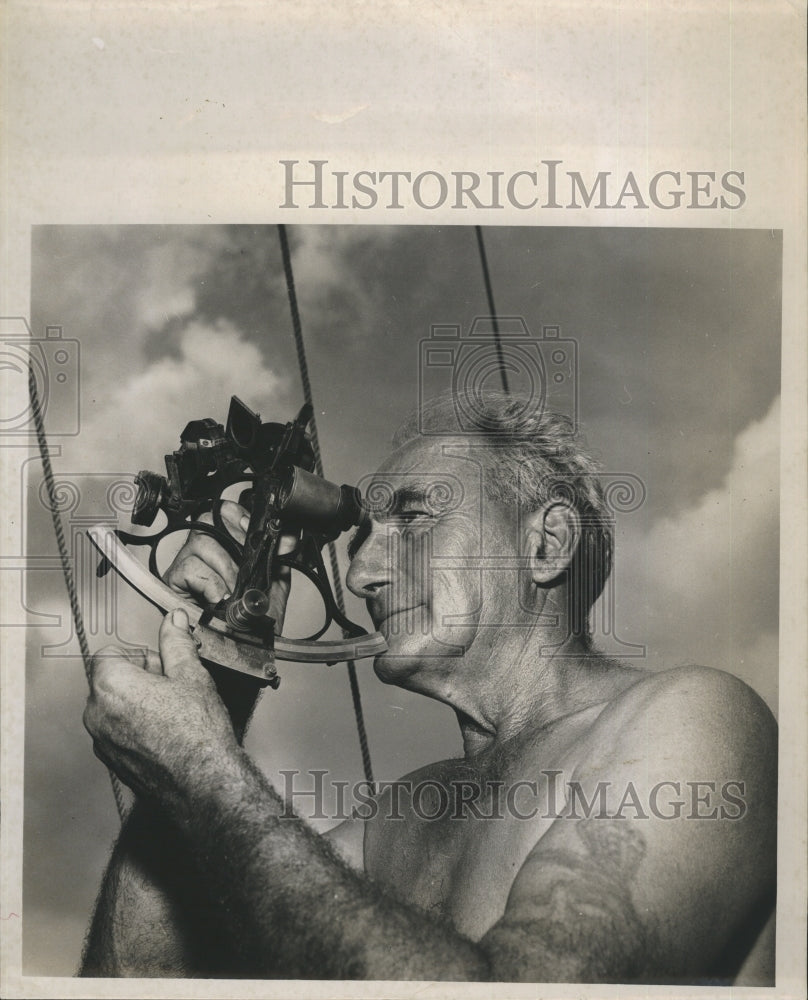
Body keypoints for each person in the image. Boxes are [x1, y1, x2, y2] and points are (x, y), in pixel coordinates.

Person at [80, 391, 777, 983]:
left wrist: (204, 774)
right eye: (361, 539)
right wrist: (222, 673)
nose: (361, 576)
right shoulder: (401, 820)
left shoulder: (693, 717)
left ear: (546, 545)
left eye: (412, 520)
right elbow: (138, 981)